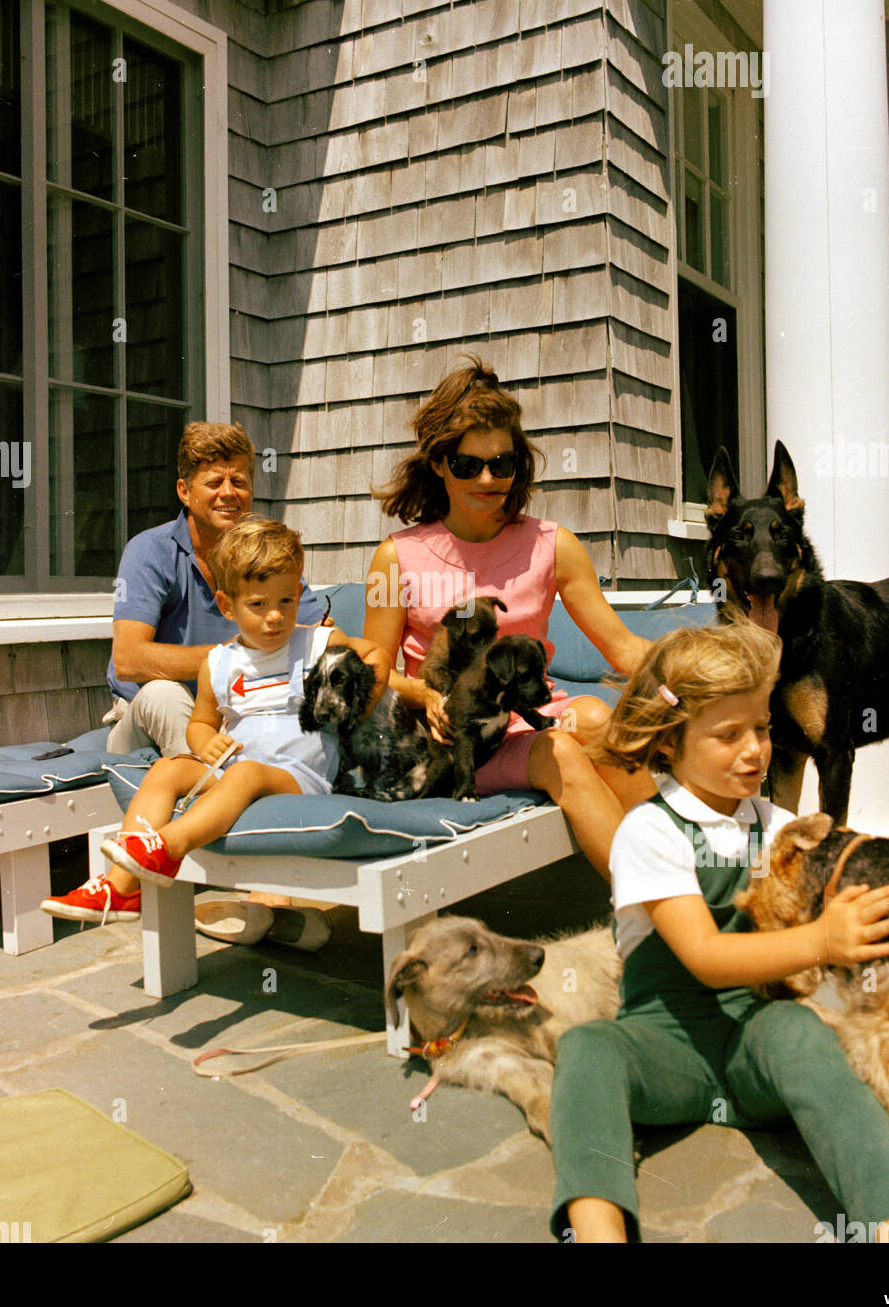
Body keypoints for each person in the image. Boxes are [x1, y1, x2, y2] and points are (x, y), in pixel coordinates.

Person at [548, 620, 889, 1244]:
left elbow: (844, 869)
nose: (755, 750)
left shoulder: (775, 821)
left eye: (760, 728)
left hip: (756, 1041)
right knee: (588, 1049)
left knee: (803, 1031)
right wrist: (822, 941)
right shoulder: (650, 832)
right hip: (665, 1047)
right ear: (669, 744)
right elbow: (703, 955)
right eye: (729, 735)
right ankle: (597, 1230)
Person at [363, 356, 655, 879]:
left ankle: (691, 877)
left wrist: (709, 676)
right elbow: (375, 669)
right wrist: (426, 695)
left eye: (503, 463)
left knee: (592, 718)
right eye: (467, 464)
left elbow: (624, 648)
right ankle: (658, 910)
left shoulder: (553, 545)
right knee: (561, 752)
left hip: (530, 720)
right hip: (453, 741)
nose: (488, 478)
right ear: (438, 464)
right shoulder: (396, 557)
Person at [42, 422, 326, 935]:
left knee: (254, 744)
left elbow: (310, 634)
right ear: (184, 491)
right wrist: (233, 657)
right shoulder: (150, 551)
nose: (229, 493)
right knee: (165, 693)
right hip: (144, 714)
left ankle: (143, 881)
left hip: (234, 718)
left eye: (239, 481)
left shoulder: (262, 558)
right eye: (214, 481)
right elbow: (129, 659)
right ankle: (257, 892)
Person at [99, 518, 391, 950]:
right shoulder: (218, 663)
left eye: (287, 601)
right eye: (258, 604)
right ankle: (119, 886)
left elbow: (375, 654)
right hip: (237, 768)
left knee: (247, 775)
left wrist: (362, 703)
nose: (275, 616)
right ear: (227, 604)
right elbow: (200, 722)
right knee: (167, 769)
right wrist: (202, 742)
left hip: (298, 778)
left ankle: (166, 848)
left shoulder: (317, 643)